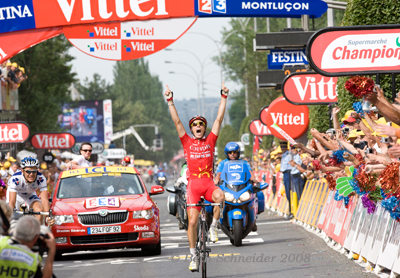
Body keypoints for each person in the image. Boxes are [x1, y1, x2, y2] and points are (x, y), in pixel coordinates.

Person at [165, 82, 228, 272]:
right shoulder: (186, 141)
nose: (198, 126)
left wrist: (224, 96)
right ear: (191, 129)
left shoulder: (210, 139)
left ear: (204, 128)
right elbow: (177, 122)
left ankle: (214, 227)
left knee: (221, 198)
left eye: (201, 124)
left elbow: (218, 119)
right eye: (194, 125)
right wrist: (170, 101)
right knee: (191, 222)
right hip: (193, 186)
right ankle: (193, 256)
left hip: (208, 183)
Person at [6, 157, 54, 225]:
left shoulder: (41, 178)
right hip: (16, 195)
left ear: (37, 170)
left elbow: (44, 200)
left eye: (34, 171)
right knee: (12, 217)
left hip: (29, 195)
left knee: (39, 210)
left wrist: (47, 217)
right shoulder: (15, 178)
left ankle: (38, 233)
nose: (31, 174)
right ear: (22, 171)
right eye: (28, 171)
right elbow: (12, 202)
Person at [279, 141, 294, 220]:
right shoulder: (284, 155)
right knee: (287, 193)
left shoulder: (289, 155)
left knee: (289, 192)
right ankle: (290, 210)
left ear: (287, 147)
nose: (282, 149)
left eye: (283, 147)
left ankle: (292, 211)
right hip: (285, 174)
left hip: (288, 173)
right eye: (281, 147)